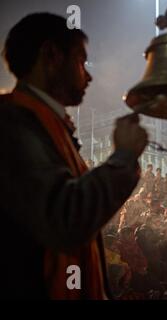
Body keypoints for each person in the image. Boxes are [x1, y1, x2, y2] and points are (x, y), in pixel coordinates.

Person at [0, 13, 148, 299]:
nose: (88, 75)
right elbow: (64, 220)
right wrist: (124, 158)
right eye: (81, 61)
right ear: (51, 55)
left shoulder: (48, 125)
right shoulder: (11, 123)